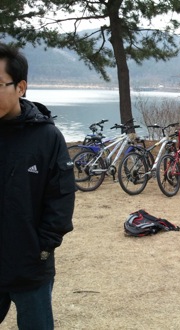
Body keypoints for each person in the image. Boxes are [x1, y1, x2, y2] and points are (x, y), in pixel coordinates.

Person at [0, 43, 75, 329]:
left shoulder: (46, 137)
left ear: (20, 87)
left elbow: (61, 197)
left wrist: (43, 246)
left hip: (30, 263)